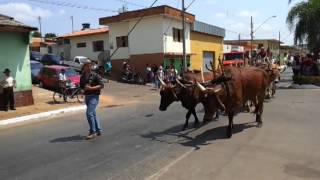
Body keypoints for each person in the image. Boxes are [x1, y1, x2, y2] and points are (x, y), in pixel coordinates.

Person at [80, 59, 104, 140]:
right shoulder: (82, 77)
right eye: (87, 65)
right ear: (84, 66)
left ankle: (92, 132)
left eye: (90, 65)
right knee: (93, 113)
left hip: (94, 96)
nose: (89, 66)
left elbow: (101, 85)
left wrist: (91, 88)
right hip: (87, 97)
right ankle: (98, 130)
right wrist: (82, 90)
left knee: (89, 113)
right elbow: (81, 87)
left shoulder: (95, 75)